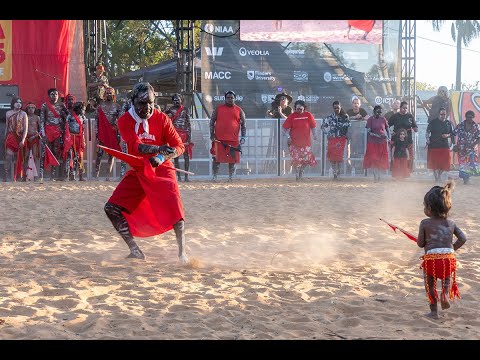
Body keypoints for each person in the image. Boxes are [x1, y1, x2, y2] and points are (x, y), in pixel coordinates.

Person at [103, 82, 189, 263]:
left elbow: (179, 146)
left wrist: (162, 158)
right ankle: (135, 250)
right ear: (133, 102)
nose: (147, 107)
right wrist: (159, 149)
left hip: (162, 169)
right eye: (142, 103)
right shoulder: (124, 120)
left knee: (176, 214)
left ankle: (182, 253)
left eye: (150, 102)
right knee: (111, 208)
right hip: (139, 169)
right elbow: (135, 146)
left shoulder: (163, 118)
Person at [417, 181, 467, 319]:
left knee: (430, 285)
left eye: (425, 206)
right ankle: (445, 293)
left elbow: (420, 244)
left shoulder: (424, 223)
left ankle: (433, 312)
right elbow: (463, 238)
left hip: (432, 260)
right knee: (446, 280)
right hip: (448, 259)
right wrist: (451, 249)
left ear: (430, 208)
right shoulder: (451, 223)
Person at [210, 90, 246, 182]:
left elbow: (244, 125)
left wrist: (243, 137)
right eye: (228, 98)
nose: (230, 99)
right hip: (219, 139)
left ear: (235, 99)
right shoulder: (218, 108)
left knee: (232, 160)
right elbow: (212, 122)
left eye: (232, 98)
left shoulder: (239, 110)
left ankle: (231, 177)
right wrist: (212, 134)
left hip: (233, 140)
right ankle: (215, 176)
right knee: (216, 158)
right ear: (225, 99)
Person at [94, 86, 125, 181]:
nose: (109, 95)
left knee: (111, 154)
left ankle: (108, 175)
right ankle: (96, 175)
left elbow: (120, 121)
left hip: (112, 132)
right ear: (104, 95)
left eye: (111, 93)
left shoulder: (117, 106)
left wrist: (118, 133)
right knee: (99, 153)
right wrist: (96, 132)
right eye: (107, 93)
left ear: (114, 95)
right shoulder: (100, 106)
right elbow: (96, 120)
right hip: (102, 132)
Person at [282, 99, 317, 181]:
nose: (299, 111)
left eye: (300, 109)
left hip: (306, 142)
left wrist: (315, 135)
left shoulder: (308, 115)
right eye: (297, 109)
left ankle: (301, 170)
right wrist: (288, 137)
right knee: (296, 159)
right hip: (294, 143)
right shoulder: (292, 116)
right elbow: (284, 129)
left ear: (304, 108)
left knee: (307, 159)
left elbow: (313, 126)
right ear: (295, 108)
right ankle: (297, 173)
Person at [39, 88, 68, 182]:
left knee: (55, 153)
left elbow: (67, 117)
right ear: (49, 96)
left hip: (58, 132)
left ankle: (52, 176)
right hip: (47, 131)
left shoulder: (62, 105)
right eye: (52, 94)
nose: (54, 96)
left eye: (56, 94)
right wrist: (43, 134)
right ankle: (41, 175)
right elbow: (42, 121)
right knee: (44, 153)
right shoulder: (44, 105)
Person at [165, 93, 193, 182]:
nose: (176, 101)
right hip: (175, 135)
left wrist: (189, 137)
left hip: (184, 134)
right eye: (175, 100)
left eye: (178, 99)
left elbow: (188, 123)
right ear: (172, 101)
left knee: (186, 156)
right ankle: (179, 177)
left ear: (181, 100)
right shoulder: (170, 110)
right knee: (176, 156)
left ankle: (186, 177)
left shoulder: (185, 109)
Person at [321, 100, 350, 180]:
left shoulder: (345, 117)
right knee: (332, 157)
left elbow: (348, 127)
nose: (337, 109)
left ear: (340, 107)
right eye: (335, 108)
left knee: (339, 157)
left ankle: (338, 171)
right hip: (332, 139)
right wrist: (327, 134)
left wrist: (346, 134)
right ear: (333, 108)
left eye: (338, 107)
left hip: (341, 139)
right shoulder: (330, 118)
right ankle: (334, 173)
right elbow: (322, 127)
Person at [426, 107, 455, 183]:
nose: (443, 116)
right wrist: (428, 140)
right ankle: (436, 178)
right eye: (441, 114)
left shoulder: (448, 123)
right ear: (438, 114)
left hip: (445, 145)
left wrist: (447, 135)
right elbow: (427, 132)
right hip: (434, 145)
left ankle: (439, 176)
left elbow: (452, 133)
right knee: (435, 163)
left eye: (444, 114)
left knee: (444, 163)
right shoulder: (433, 122)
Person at [388, 101, 418, 173]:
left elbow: (415, 127)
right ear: (400, 108)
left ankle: (407, 172)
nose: (405, 109)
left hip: (408, 140)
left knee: (408, 156)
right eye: (404, 108)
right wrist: (390, 132)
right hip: (396, 140)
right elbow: (387, 126)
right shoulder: (395, 116)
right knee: (396, 156)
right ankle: (395, 172)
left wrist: (415, 128)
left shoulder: (410, 116)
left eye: (406, 108)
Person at [363, 105, 390, 182]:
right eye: (378, 112)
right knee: (374, 159)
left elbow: (387, 129)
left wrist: (388, 137)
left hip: (382, 142)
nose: (379, 114)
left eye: (380, 112)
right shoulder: (370, 120)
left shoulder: (383, 119)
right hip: (372, 142)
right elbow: (369, 132)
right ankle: (375, 176)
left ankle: (379, 176)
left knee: (380, 160)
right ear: (374, 111)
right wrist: (378, 136)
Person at [452, 110, 480, 184]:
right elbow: (453, 134)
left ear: (473, 117)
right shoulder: (460, 125)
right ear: (466, 117)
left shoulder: (476, 126)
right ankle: (465, 180)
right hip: (461, 149)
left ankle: (467, 179)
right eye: (468, 117)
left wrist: (472, 145)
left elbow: (479, 138)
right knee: (463, 165)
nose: (469, 119)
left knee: (471, 164)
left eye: (471, 117)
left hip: (472, 149)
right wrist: (454, 144)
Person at [4, 96, 28, 182]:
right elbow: (7, 127)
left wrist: (23, 139)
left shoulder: (24, 114)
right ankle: (6, 176)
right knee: (8, 156)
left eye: (20, 102)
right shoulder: (8, 113)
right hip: (11, 137)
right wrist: (5, 138)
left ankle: (20, 177)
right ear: (13, 103)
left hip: (20, 137)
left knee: (21, 158)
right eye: (17, 102)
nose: (19, 104)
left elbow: (25, 128)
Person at [64, 101, 87, 181]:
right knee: (70, 156)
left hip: (79, 138)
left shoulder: (83, 117)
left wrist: (83, 139)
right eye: (83, 109)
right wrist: (67, 139)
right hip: (71, 137)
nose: (84, 111)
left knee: (79, 156)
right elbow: (66, 127)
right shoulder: (70, 116)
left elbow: (83, 130)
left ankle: (80, 175)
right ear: (78, 109)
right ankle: (69, 175)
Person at [24, 102, 41, 181]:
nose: (31, 109)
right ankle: (25, 175)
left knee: (35, 156)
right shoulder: (25, 117)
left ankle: (36, 175)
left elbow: (41, 130)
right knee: (25, 156)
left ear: (35, 109)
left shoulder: (37, 118)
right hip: (26, 138)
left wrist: (35, 136)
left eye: (33, 107)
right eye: (29, 107)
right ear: (27, 109)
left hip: (34, 138)